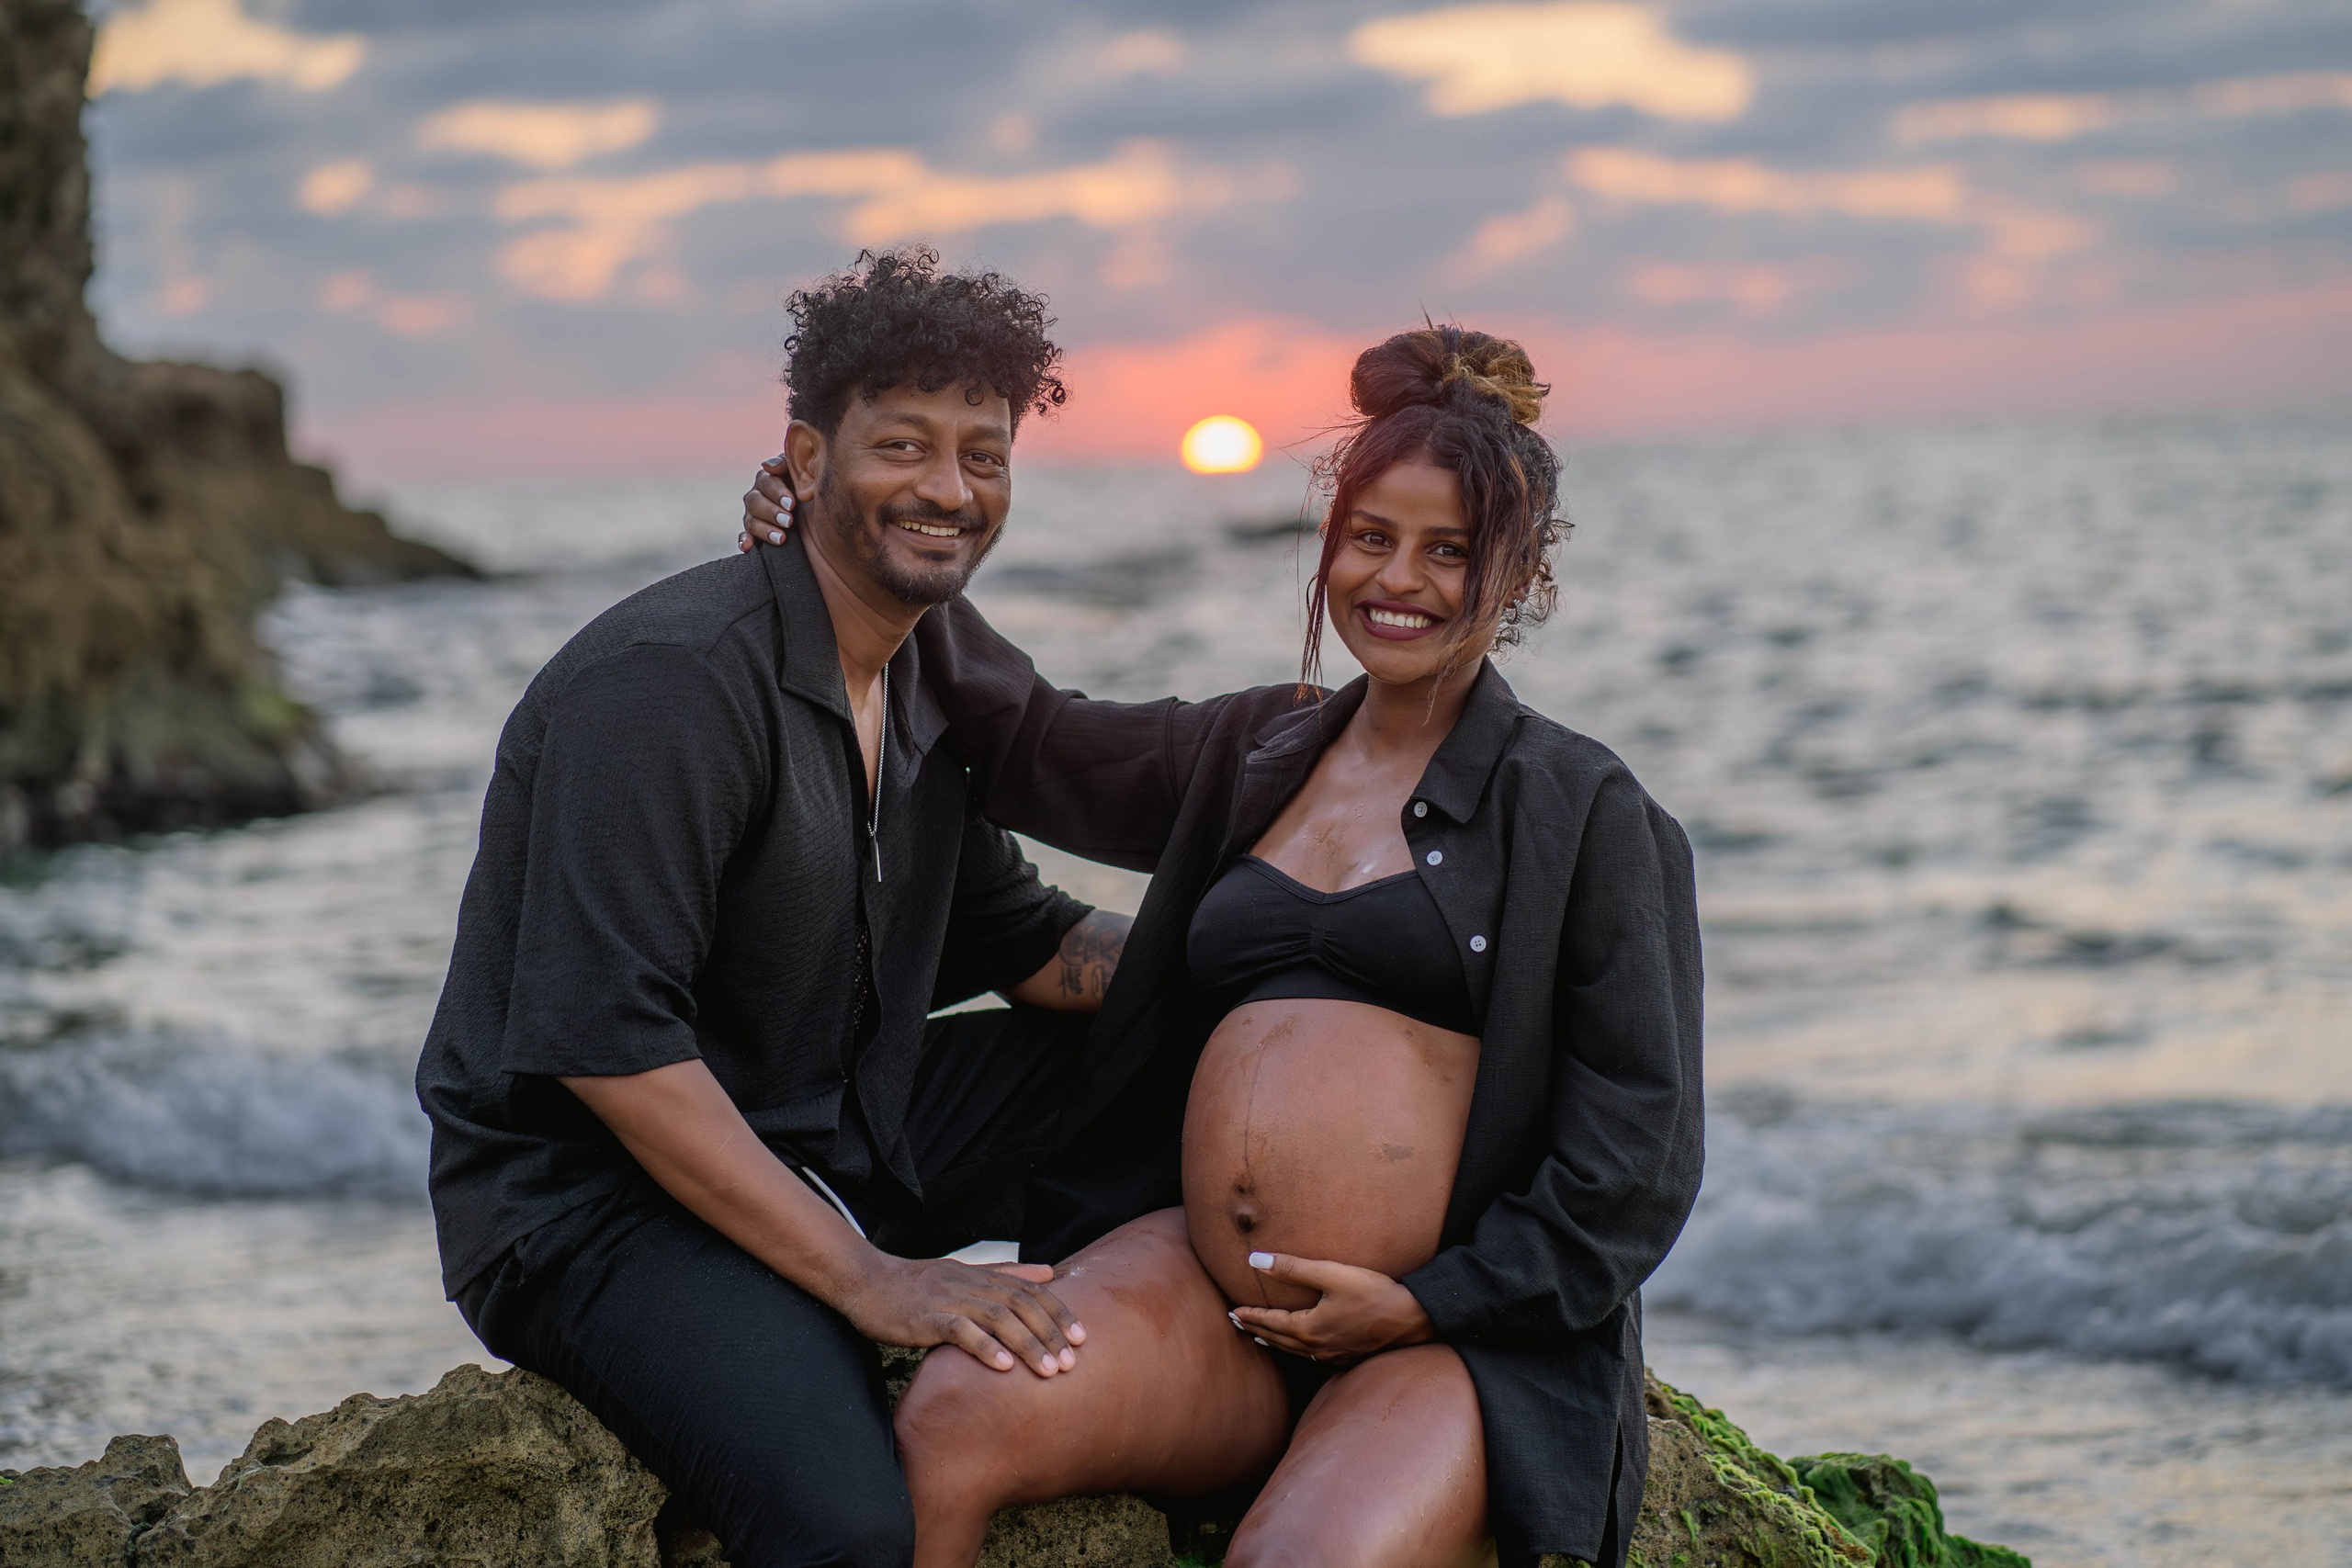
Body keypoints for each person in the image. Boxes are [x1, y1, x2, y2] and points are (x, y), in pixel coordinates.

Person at [737, 325, 1705, 1568]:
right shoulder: (1254, 751)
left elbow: (1639, 1153)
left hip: (1450, 1336)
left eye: (1448, 551)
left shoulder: (1587, 813)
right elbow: (1032, 741)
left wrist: (1426, 1299)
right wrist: (843, 541)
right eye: (1370, 537)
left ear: (1515, 581)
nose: (1395, 578)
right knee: (957, 1421)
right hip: (1206, 1289)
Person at [414, 247, 1139, 1568]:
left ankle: (1121, 1355)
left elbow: (1034, 948)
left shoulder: (924, 688)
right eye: (904, 445)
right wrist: (876, 1283)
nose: (949, 488)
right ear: (806, 460)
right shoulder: (669, 685)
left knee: (1167, 1052)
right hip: (591, 1204)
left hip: (830, 1126)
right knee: (851, 1526)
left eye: (985, 455)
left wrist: (1285, 963)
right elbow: (606, 1045)